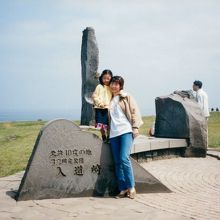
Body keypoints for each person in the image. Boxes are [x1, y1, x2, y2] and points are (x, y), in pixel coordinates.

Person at [109, 76, 143, 199]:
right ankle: (122, 189)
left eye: (116, 84)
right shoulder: (109, 99)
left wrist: (135, 127)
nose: (114, 86)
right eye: (112, 83)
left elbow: (134, 111)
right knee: (117, 162)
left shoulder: (126, 96)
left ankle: (131, 187)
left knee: (124, 158)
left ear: (121, 85)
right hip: (113, 134)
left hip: (125, 131)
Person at [92, 69, 113, 141]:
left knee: (108, 124)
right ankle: (103, 135)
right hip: (99, 108)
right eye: (104, 78)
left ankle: (108, 136)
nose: (106, 80)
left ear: (111, 78)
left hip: (108, 109)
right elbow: (94, 96)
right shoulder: (99, 86)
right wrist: (99, 103)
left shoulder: (111, 87)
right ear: (101, 78)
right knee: (100, 125)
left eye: (108, 78)